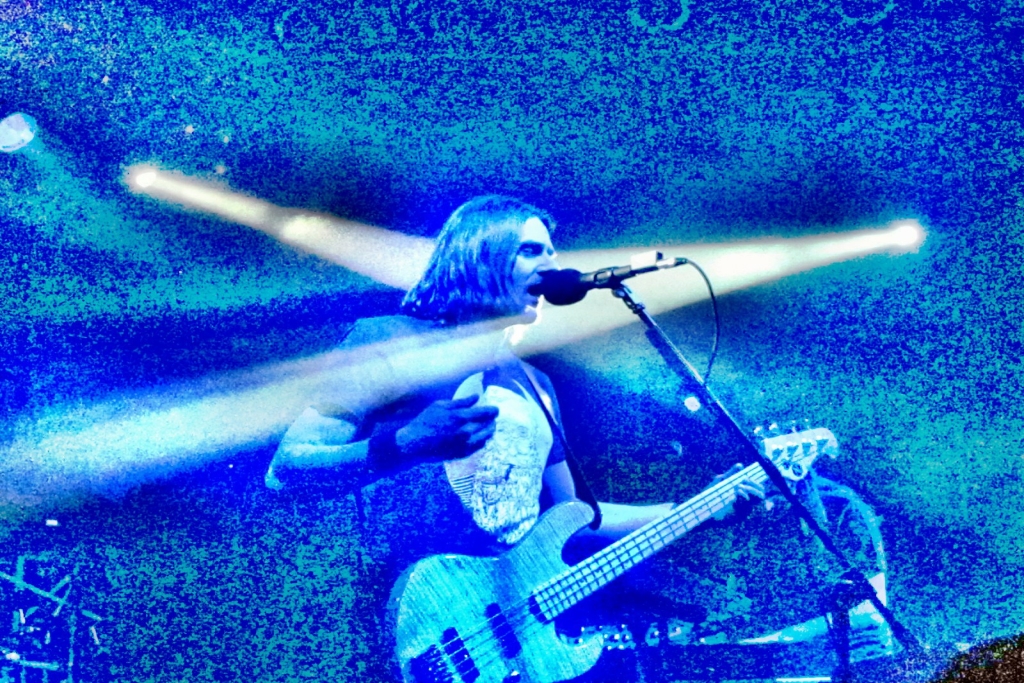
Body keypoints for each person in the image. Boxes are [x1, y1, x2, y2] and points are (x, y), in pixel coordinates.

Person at [264, 195, 761, 680]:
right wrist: (409, 444)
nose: (551, 266)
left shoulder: (536, 385)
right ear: (478, 256)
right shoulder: (388, 340)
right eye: (530, 250)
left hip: (509, 641)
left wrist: (695, 510)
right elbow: (286, 470)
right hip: (415, 620)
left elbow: (574, 519)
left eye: (553, 253)